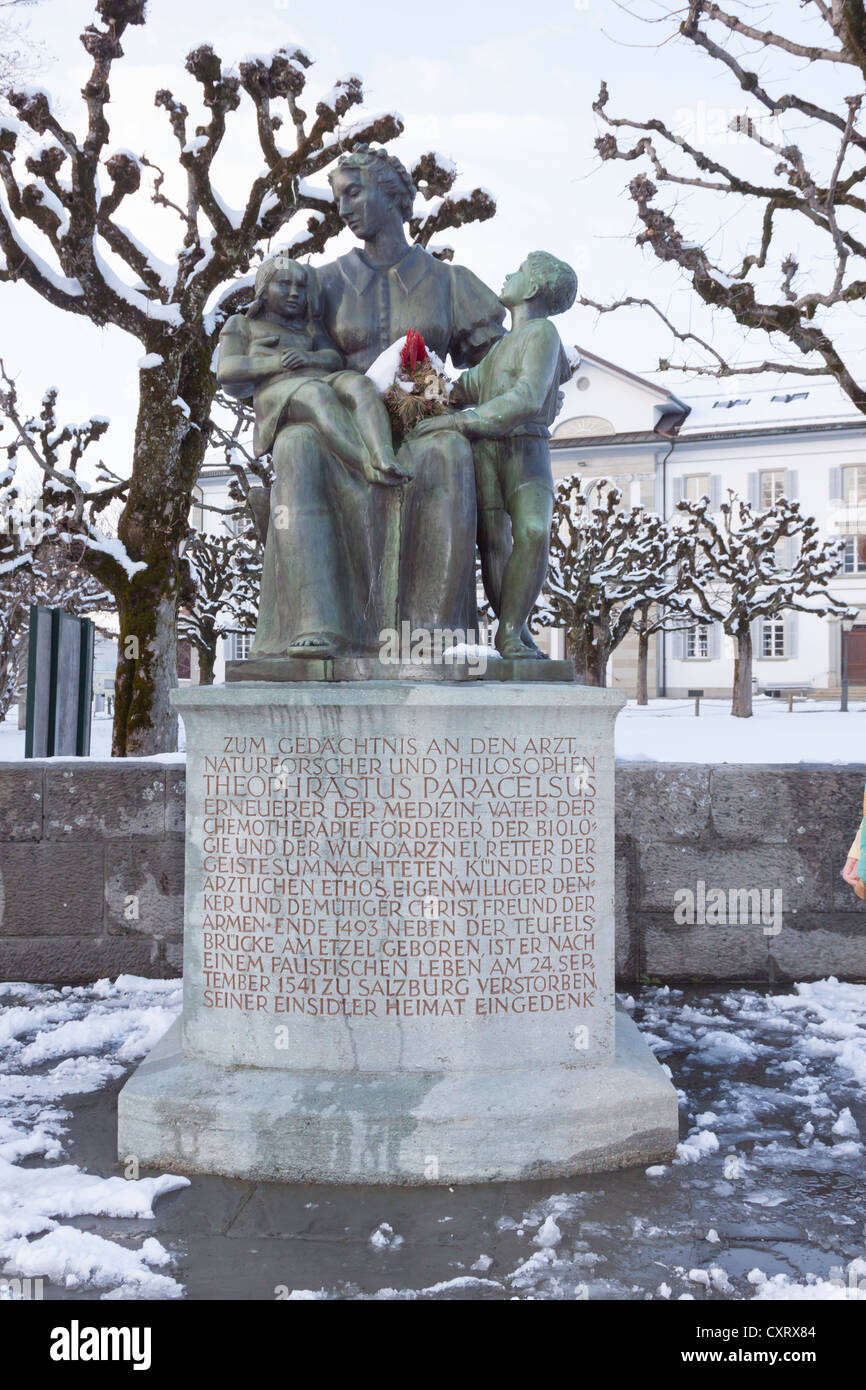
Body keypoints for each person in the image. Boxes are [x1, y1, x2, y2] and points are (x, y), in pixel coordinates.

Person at [227, 145, 505, 661]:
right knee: (296, 445)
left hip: (423, 419)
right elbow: (279, 344)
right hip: (343, 420)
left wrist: (509, 384)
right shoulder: (322, 283)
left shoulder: (447, 281)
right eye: (339, 199)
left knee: (448, 451)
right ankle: (318, 618)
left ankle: (431, 626)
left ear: (392, 193)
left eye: (355, 192)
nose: (345, 207)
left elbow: (496, 362)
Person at [410, 250, 576, 659]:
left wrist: (461, 422)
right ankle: (511, 635)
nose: (507, 274)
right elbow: (462, 388)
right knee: (495, 545)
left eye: (517, 271)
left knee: (534, 532)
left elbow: (527, 397)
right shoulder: (500, 349)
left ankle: (514, 628)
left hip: (526, 447)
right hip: (487, 453)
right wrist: (414, 379)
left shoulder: (542, 334)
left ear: (533, 288)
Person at [217, 257, 407, 486]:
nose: (295, 293)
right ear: (264, 290)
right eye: (285, 284)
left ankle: (383, 455)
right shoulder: (242, 325)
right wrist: (277, 363)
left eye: (300, 287)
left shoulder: (309, 326)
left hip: (321, 378)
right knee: (316, 394)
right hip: (277, 392)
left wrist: (309, 357)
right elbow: (226, 370)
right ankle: (365, 465)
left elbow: (334, 358)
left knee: (359, 384)